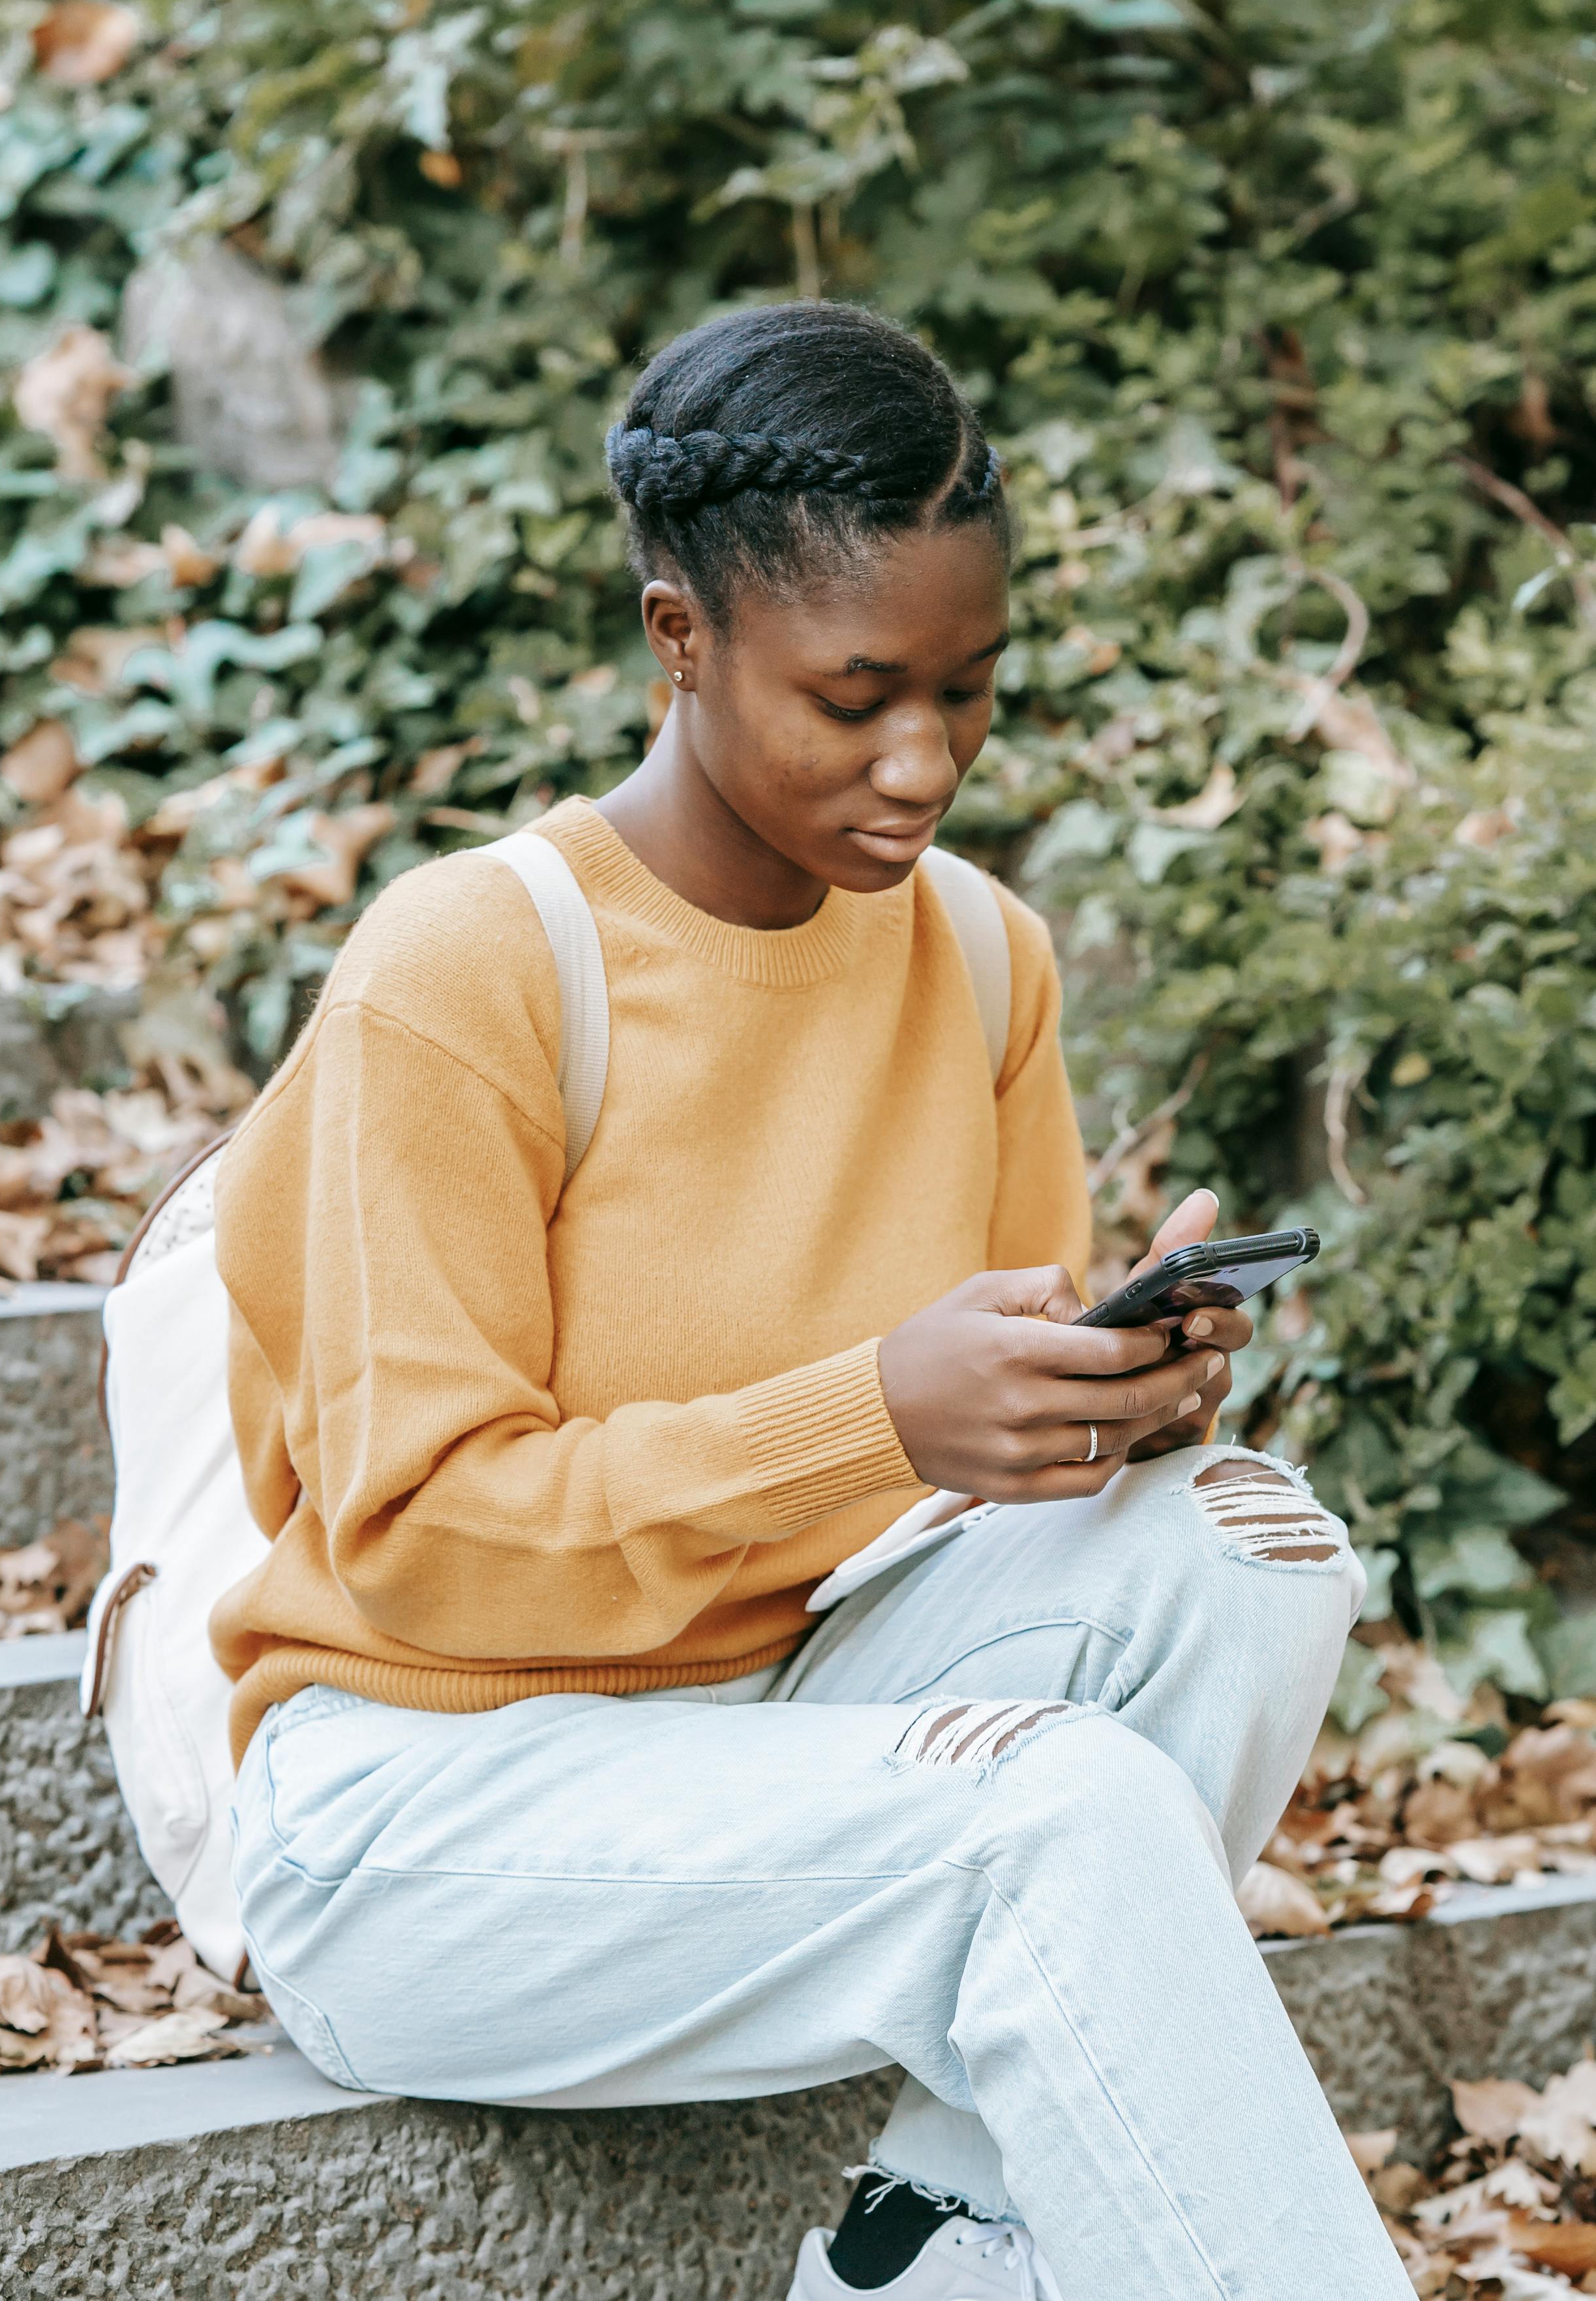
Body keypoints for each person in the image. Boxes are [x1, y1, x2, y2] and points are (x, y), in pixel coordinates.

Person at [214, 302, 1408, 2301]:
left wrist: (1100, 1402)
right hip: (424, 1805)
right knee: (1060, 1819)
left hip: (786, 1714)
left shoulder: (980, 954)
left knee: (1256, 1547)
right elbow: (417, 1544)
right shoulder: (468, 969)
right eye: (854, 697)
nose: (922, 760)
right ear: (681, 635)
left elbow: (968, 1485)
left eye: (971, 688)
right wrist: (880, 1407)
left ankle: (930, 2229)